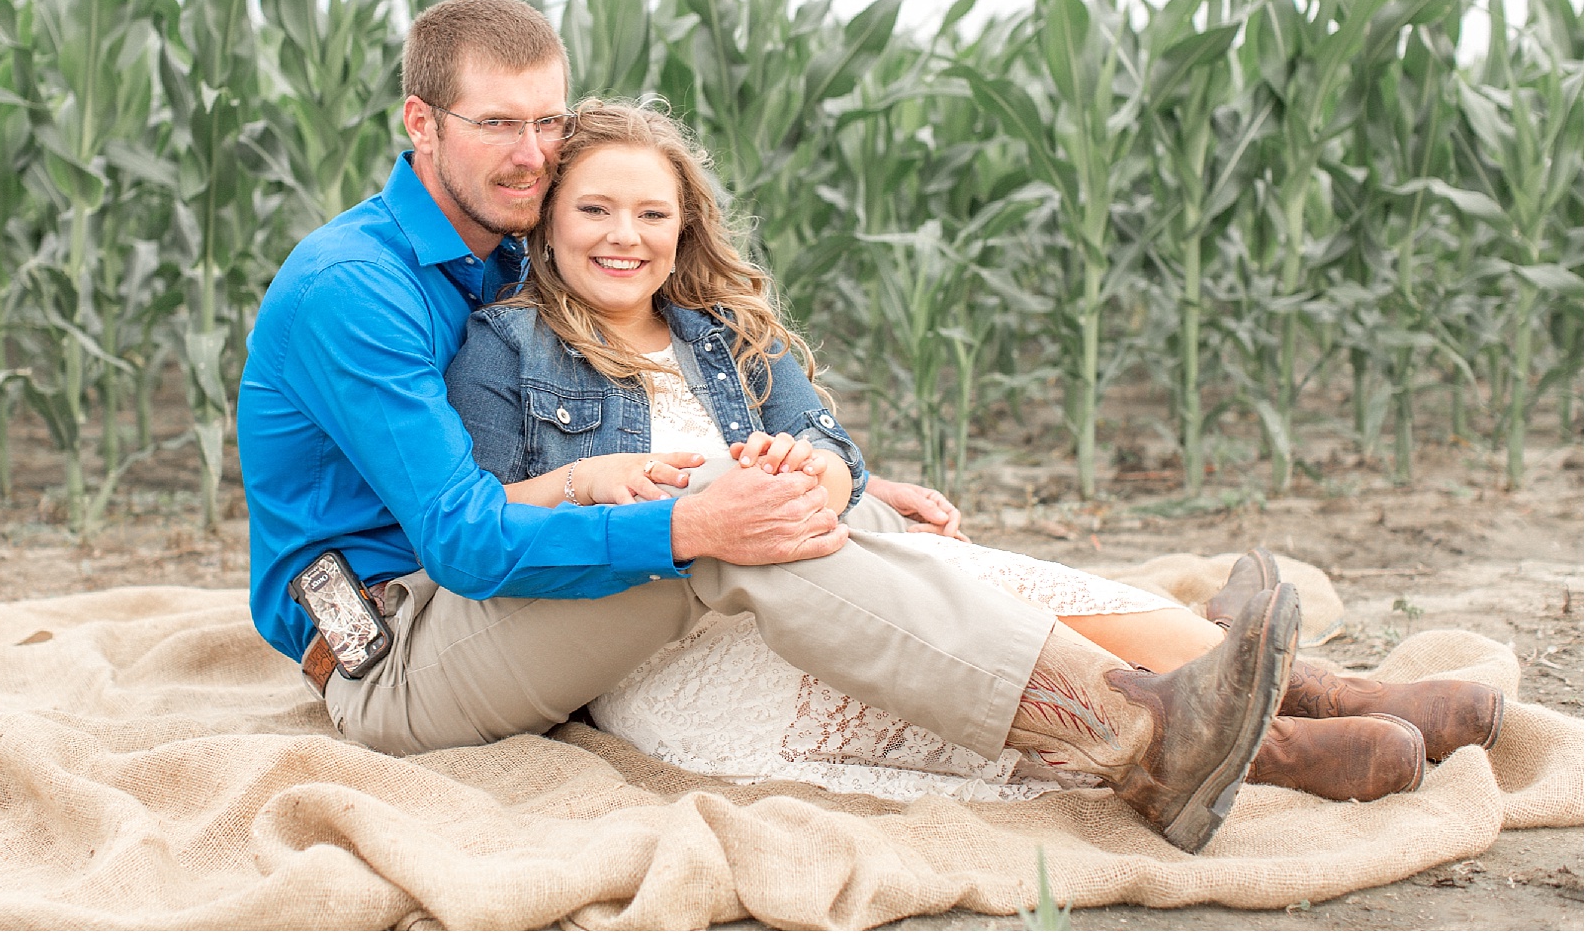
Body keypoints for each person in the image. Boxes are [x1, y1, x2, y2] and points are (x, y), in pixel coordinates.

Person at [239, 0, 1301, 855]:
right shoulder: (355, 288)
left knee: (798, 511)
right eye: (496, 123)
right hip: (394, 649)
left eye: (547, 121)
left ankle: (1267, 689)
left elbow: (645, 391)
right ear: (421, 124)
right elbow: (464, 540)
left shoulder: (503, 239)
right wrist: (691, 527)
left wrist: (842, 479)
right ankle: (1134, 737)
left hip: (483, 605)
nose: (531, 151)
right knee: (722, 528)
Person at [442, 99, 1505, 804]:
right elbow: (489, 515)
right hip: (664, 640)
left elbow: (828, 446)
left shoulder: (716, 337)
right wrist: (606, 481)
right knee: (914, 610)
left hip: (827, 573)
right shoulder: (506, 349)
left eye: (651, 212)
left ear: (686, 226)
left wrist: (820, 473)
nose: (623, 234)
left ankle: (1323, 690)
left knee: (965, 576)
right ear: (547, 224)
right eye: (594, 208)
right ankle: (1261, 749)